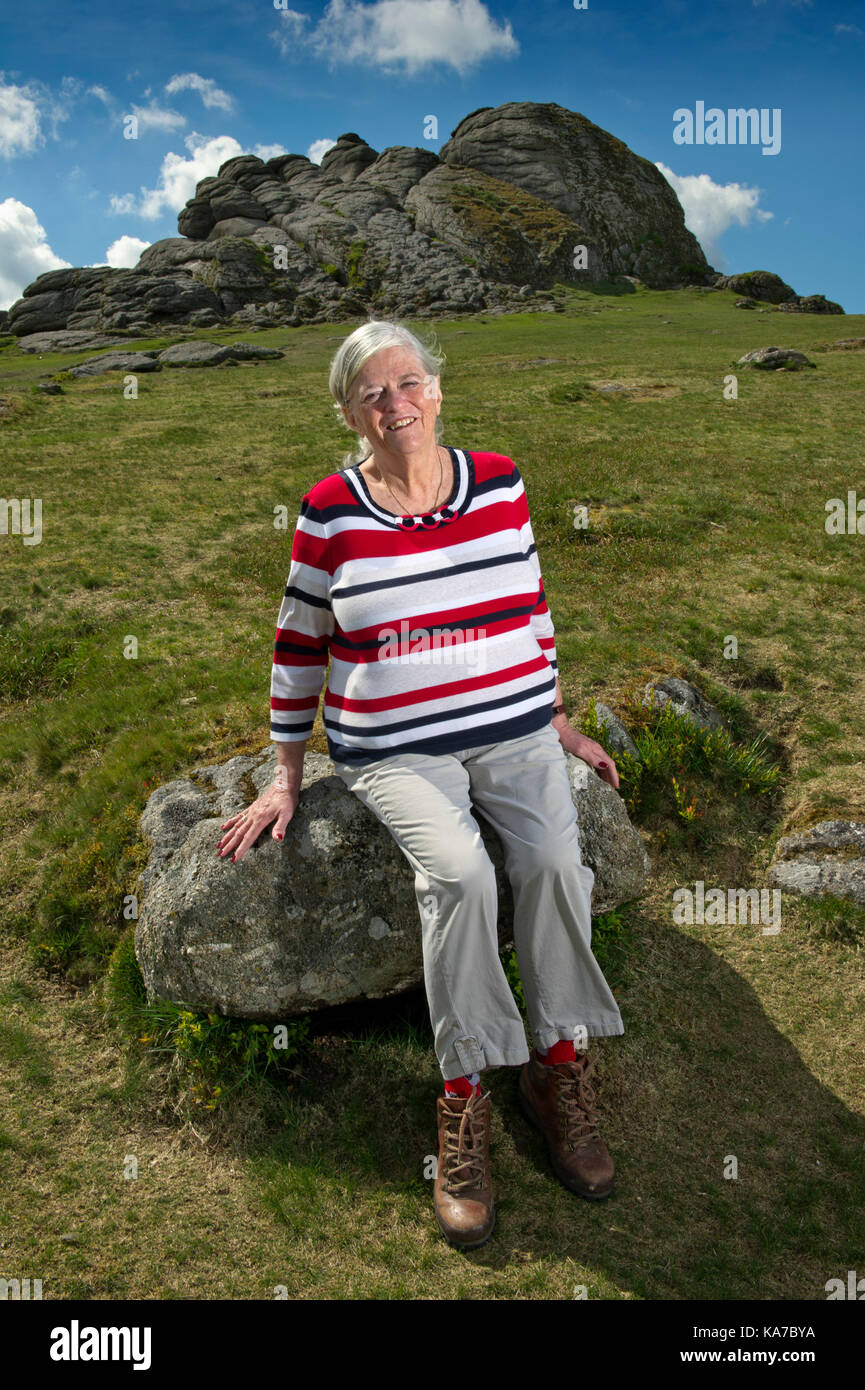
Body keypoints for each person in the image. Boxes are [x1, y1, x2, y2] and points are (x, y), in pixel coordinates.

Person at [216, 319, 624, 1249]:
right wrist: (285, 774)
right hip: (396, 749)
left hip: (515, 728)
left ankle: (556, 1067)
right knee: (461, 876)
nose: (394, 404)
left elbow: (529, 600)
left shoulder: (503, 480)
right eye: (372, 393)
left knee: (556, 861)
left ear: (437, 388)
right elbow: (297, 644)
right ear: (350, 413)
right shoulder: (331, 510)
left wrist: (552, 711)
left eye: (408, 384)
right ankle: (465, 1092)